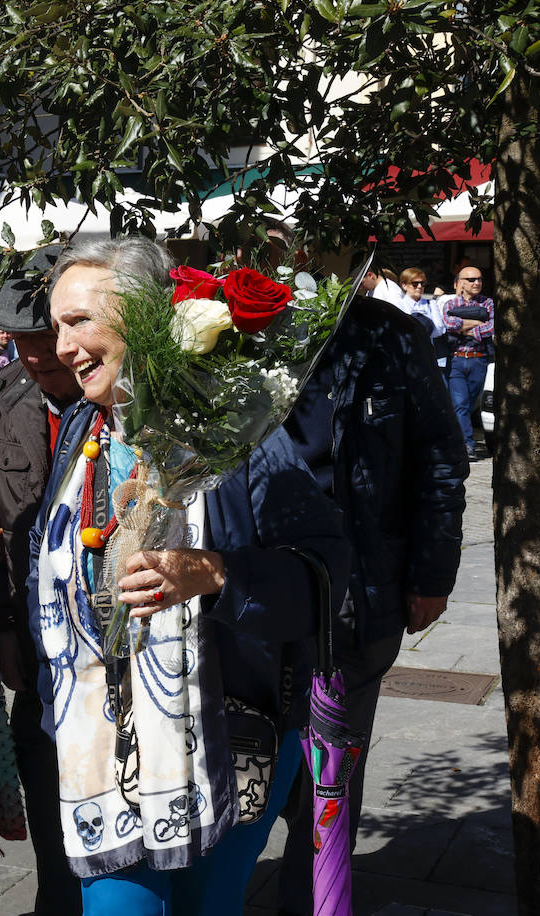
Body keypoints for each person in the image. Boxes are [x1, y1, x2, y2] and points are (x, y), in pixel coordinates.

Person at [28, 236, 348, 913]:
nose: (60, 346)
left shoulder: (235, 433)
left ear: (145, 318)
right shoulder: (83, 429)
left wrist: (214, 572)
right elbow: (50, 572)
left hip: (228, 741)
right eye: (56, 325)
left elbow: (326, 576)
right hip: (98, 743)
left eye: (79, 321)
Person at [277, 289, 468, 915]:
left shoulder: (390, 334)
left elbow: (440, 454)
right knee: (252, 765)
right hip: (249, 587)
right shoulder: (228, 323)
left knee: (330, 771)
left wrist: (431, 574)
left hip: (355, 591)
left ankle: (312, 901)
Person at [0, 245, 86, 916]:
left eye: (47, 339)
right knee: (45, 795)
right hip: (40, 648)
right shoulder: (6, 394)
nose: (41, 357)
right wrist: (7, 630)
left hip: (115, 648)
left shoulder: (129, 398)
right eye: (23, 342)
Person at [436, 266, 494, 460]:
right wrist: (477, 323)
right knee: (460, 404)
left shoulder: (488, 303)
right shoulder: (449, 303)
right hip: (457, 359)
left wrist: (464, 327)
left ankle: (452, 438)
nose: (476, 283)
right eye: (471, 280)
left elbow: (491, 327)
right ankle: (467, 445)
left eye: (479, 279)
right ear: (460, 282)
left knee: (468, 405)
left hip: (479, 360)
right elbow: (448, 324)